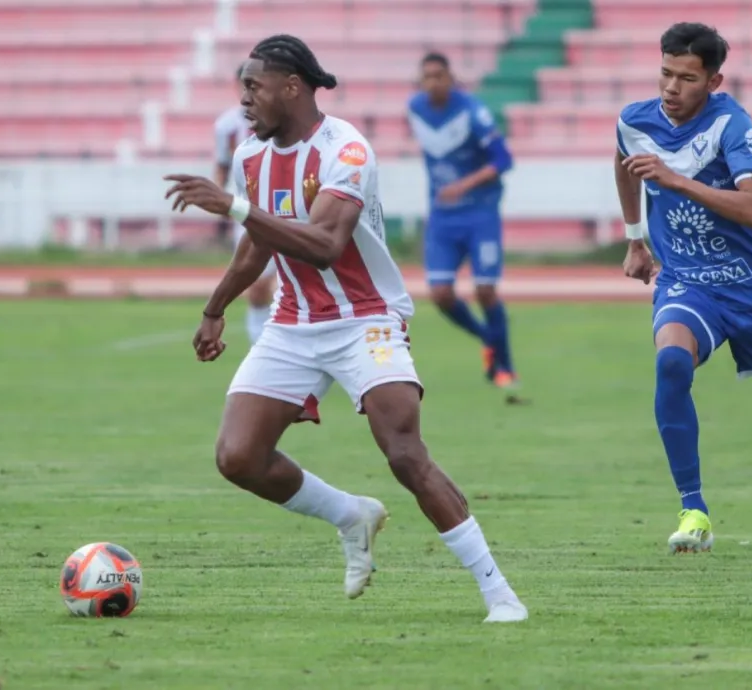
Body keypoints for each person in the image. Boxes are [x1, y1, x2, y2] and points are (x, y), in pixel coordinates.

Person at [163, 34, 528, 622]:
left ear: (292, 88)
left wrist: (232, 208)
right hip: (293, 322)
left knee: (405, 454)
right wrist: (215, 308)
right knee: (238, 457)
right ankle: (349, 515)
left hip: (366, 318)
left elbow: (326, 245)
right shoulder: (250, 157)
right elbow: (259, 243)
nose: (245, 102)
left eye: (254, 88)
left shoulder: (347, 149)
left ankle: (498, 593)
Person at [614, 22, 752, 566]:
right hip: (688, 281)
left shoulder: (732, 125)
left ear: (713, 80)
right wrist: (636, 238)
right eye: (665, 73)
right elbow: (624, 163)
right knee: (671, 362)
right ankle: (693, 511)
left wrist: (677, 181)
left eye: (687, 78)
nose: (671, 87)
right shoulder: (634, 120)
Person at [407, 52, 518, 392]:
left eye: (440, 75)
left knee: (485, 290)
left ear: (451, 78)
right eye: (427, 76)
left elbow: (503, 159)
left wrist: (463, 185)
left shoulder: (473, 112)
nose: (434, 82)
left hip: (479, 212)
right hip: (442, 215)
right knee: (440, 293)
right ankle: (488, 339)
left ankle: (505, 367)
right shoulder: (416, 109)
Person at [213, 63, 277, 345]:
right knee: (257, 285)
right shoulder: (227, 126)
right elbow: (222, 166)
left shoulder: (281, 120)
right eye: (245, 84)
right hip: (247, 211)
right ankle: (260, 348)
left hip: (286, 210)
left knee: (296, 282)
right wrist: (218, 203)